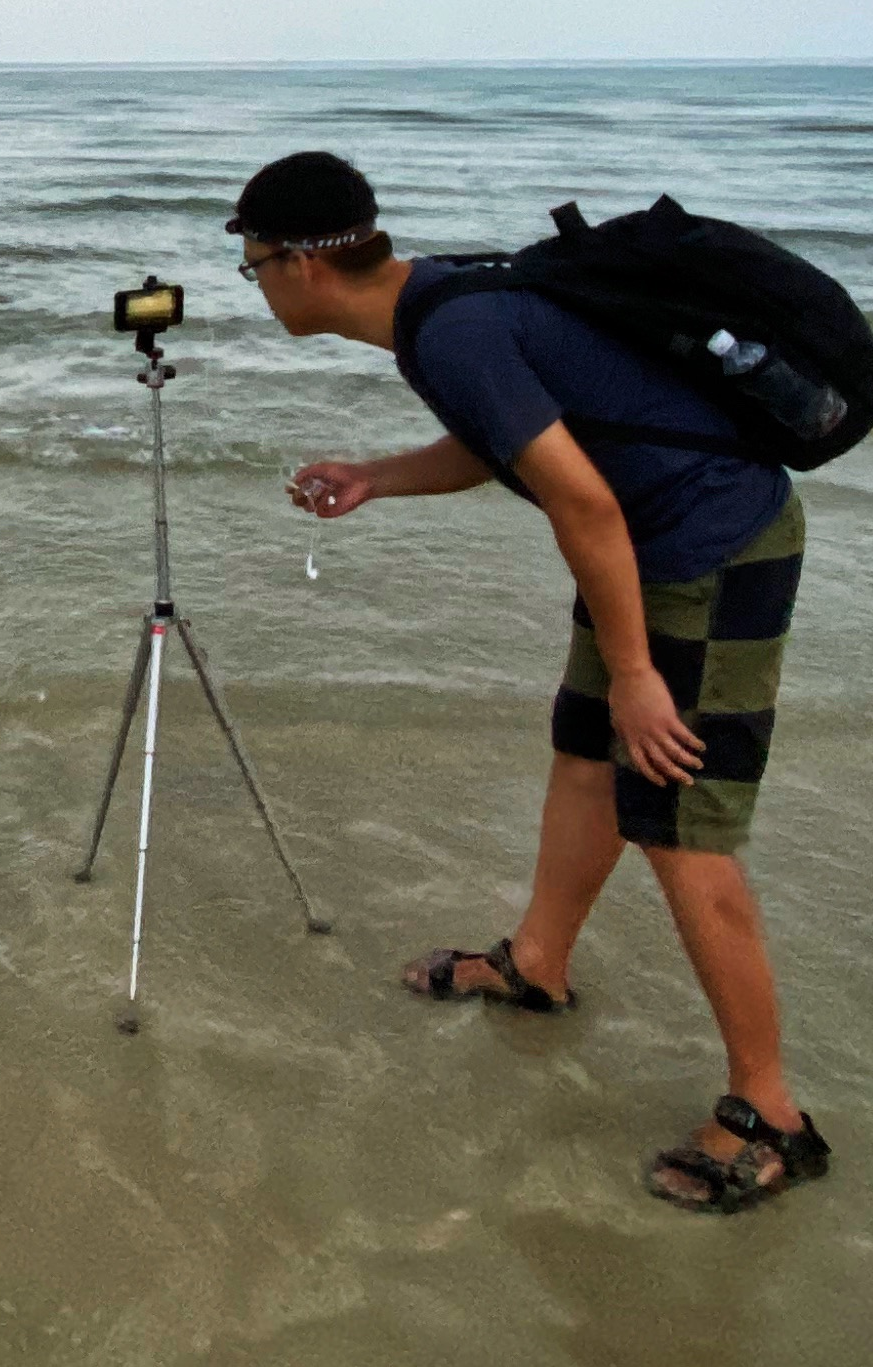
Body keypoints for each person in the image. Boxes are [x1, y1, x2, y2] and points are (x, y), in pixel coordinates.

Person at [231, 148, 831, 1215]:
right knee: (585, 755)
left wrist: (640, 670)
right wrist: (379, 476)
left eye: (254, 264)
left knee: (679, 819)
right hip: (650, 550)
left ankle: (771, 1111)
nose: (259, 283)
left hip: (709, 549)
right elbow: (506, 442)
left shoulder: (450, 328)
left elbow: (584, 504)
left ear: (302, 268)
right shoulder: (434, 305)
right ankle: (537, 964)